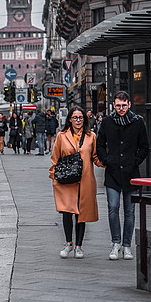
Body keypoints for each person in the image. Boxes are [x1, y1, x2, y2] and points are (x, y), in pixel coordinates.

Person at [96, 91, 150, 261]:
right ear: (113, 105)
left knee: (130, 211)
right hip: (112, 172)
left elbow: (145, 146)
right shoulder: (106, 122)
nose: (121, 108)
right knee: (113, 208)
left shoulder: (138, 122)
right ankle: (116, 243)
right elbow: (100, 144)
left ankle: (127, 245)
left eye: (124, 105)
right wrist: (106, 160)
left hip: (131, 172)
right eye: (118, 105)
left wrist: (135, 161)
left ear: (129, 105)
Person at [50, 106, 103, 259]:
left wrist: (107, 163)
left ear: (84, 120)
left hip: (85, 180)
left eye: (80, 118)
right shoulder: (62, 136)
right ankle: (68, 243)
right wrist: (54, 176)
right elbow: (55, 158)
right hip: (66, 181)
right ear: (70, 120)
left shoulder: (91, 136)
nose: (78, 120)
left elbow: (95, 157)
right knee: (67, 212)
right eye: (75, 117)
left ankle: (79, 247)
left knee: (82, 214)